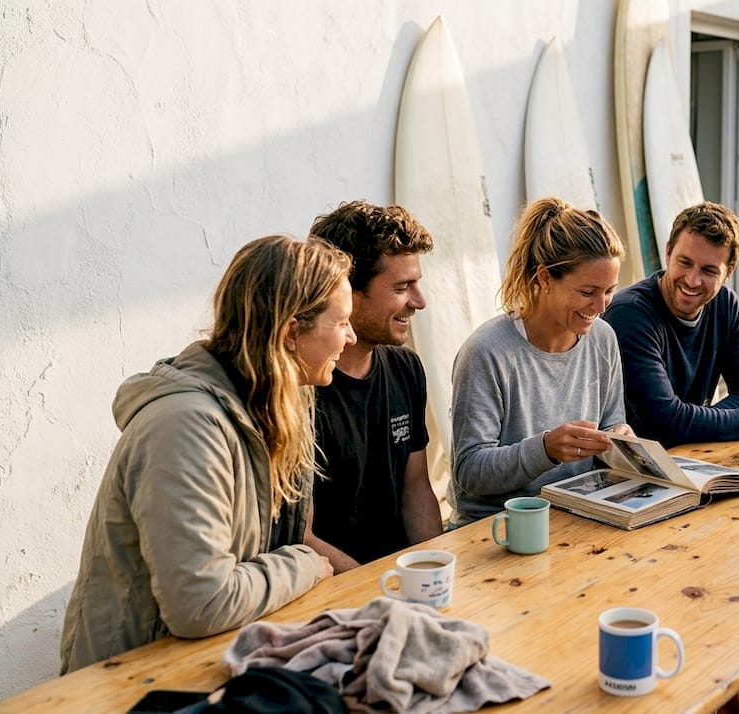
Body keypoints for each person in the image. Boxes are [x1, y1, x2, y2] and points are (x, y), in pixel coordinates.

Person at [61, 235, 351, 673]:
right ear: (292, 332)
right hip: (125, 685)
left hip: (198, 665)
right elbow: (201, 602)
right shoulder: (186, 426)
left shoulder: (269, 401)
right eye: (341, 321)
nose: (350, 336)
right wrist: (307, 562)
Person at [448, 197, 632, 526]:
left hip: (575, 518)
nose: (601, 306)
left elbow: (609, 428)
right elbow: (469, 471)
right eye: (588, 291)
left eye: (609, 291)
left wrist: (618, 442)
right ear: (545, 278)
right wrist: (545, 449)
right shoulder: (486, 352)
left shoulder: (602, 338)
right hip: (496, 529)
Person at [306, 201, 442, 573]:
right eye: (402, 287)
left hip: (399, 579)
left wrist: (438, 570)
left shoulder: (406, 367)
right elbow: (297, 535)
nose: (420, 301)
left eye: (417, 283)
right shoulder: (298, 387)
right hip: (331, 590)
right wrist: (375, 589)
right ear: (347, 292)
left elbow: (416, 488)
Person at [602, 201, 739, 447]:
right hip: (634, 471)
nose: (692, 280)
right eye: (684, 262)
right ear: (667, 253)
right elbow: (666, 423)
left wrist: (696, 422)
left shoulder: (724, 304)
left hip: (694, 457)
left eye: (708, 270)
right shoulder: (630, 314)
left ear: (728, 271)